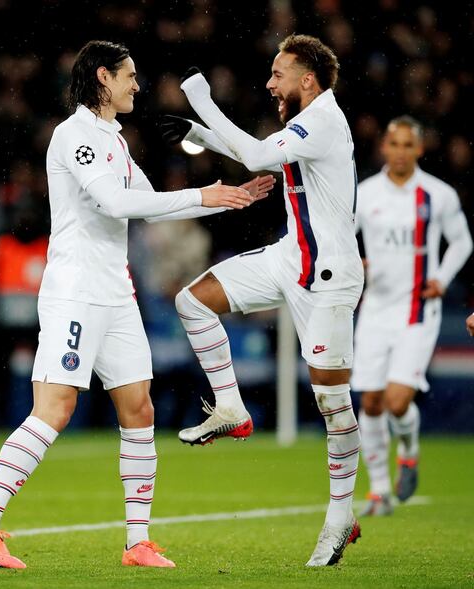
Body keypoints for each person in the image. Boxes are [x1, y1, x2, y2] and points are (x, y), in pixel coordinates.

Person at [0, 40, 274, 570]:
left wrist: (226, 196)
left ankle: (138, 542)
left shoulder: (113, 140)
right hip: (76, 291)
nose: (137, 85)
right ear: (103, 77)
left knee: (139, 409)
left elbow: (147, 207)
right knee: (54, 410)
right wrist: (202, 197)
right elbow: (116, 202)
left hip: (116, 292)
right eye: (129, 76)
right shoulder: (74, 135)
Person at [161, 34, 362, 566]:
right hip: (289, 257)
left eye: (279, 74)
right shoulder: (305, 124)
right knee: (193, 300)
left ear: (308, 80)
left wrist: (201, 100)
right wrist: (196, 131)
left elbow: (253, 154)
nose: (270, 83)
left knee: (331, 403)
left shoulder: (322, 120)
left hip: (329, 275)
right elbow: (259, 156)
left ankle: (340, 516)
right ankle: (231, 407)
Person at [351, 116, 473, 516]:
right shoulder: (365, 194)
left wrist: (441, 277)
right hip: (375, 308)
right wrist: (356, 262)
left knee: (396, 400)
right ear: (383, 148)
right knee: (369, 401)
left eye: (408, 144)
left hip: (418, 311)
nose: (400, 151)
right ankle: (380, 492)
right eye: (394, 143)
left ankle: (409, 451)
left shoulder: (436, 195)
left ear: (419, 149)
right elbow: (341, 238)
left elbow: (461, 242)